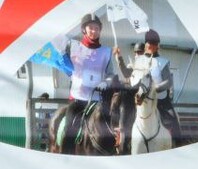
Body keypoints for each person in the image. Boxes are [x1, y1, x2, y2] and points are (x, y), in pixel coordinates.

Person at [57, 13, 123, 154]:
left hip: (98, 101)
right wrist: (62, 52)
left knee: (114, 126)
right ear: (84, 30)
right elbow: (65, 65)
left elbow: (111, 74)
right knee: (69, 128)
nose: (94, 31)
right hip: (78, 99)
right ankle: (64, 157)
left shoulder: (106, 52)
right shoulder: (73, 47)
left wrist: (106, 81)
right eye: (91, 28)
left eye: (97, 28)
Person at [133, 29, 182, 146]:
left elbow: (168, 82)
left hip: (160, 100)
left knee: (173, 119)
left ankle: (178, 144)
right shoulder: (139, 60)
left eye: (154, 44)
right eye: (149, 43)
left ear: (157, 46)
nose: (151, 46)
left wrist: (155, 88)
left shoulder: (163, 62)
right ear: (145, 44)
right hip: (141, 99)